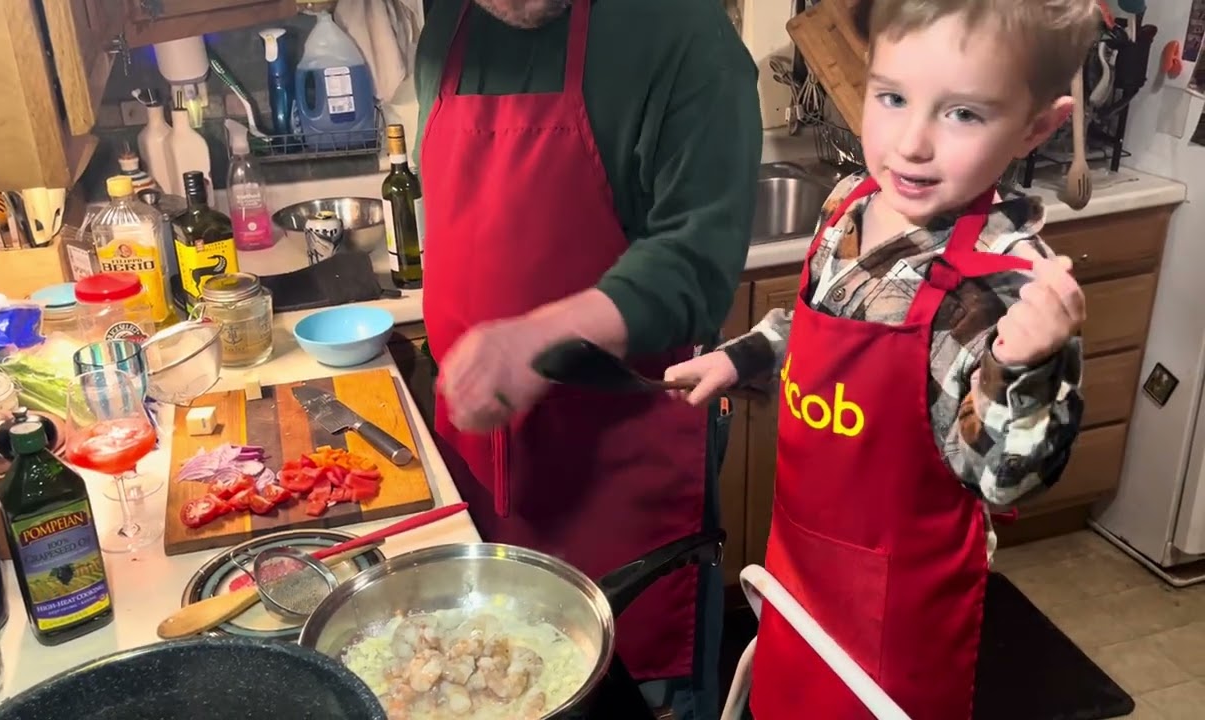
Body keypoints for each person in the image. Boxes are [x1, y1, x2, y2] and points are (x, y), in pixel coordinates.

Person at [666, 1, 1095, 717]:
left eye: (962, 114)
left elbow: (1004, 479)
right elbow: (813, 327)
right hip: (800, 576)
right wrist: (744, 358)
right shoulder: (848, 203)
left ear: (1036, 128)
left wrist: (1023, 364)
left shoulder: (1000, 291)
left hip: (893, 628)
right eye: (892, 98)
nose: (911, 143)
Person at [412, 0, 762, 715]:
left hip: (620, 483)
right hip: (480, 474)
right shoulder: (445, 26)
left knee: (637, 700)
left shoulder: (684, 33)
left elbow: (697, 260)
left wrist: (539, 338)